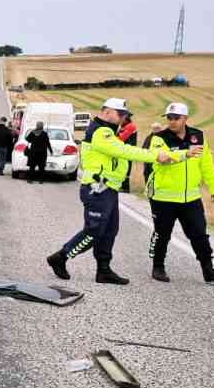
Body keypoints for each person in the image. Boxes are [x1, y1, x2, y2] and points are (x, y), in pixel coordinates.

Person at [46, 98, 180, 285]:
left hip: (108, 189)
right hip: (97, 189)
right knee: (94, 231)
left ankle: (104, 270)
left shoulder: (107, 130)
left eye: (124, 115)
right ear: (107, 111)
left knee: (109, 230)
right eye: (120, 114)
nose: (123, 118)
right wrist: (156, 156)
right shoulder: (100, 132)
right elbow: (124, 151)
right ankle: (60, 257)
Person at [147, 103, 214, 284]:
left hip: (191, 197)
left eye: (176, 118)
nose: (172, 121)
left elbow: (206, 164)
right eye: (169, 118)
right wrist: (185, 153)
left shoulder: (198, 136)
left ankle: (208, 270)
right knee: (162, 234)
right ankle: (158, 267)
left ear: (185, 119)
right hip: (163, 197)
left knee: (199, 234)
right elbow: (161, 160)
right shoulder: (159, 138)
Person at [117, 112, 138, 192]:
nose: (120, 120)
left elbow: (121, 138)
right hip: (125, 150)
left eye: (121, 117)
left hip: (128, 151)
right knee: (123, 168)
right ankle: (123, 186)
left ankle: (125, 188)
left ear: (126, 118)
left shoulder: (130, 126)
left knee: (126, 169)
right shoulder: (125, 126)